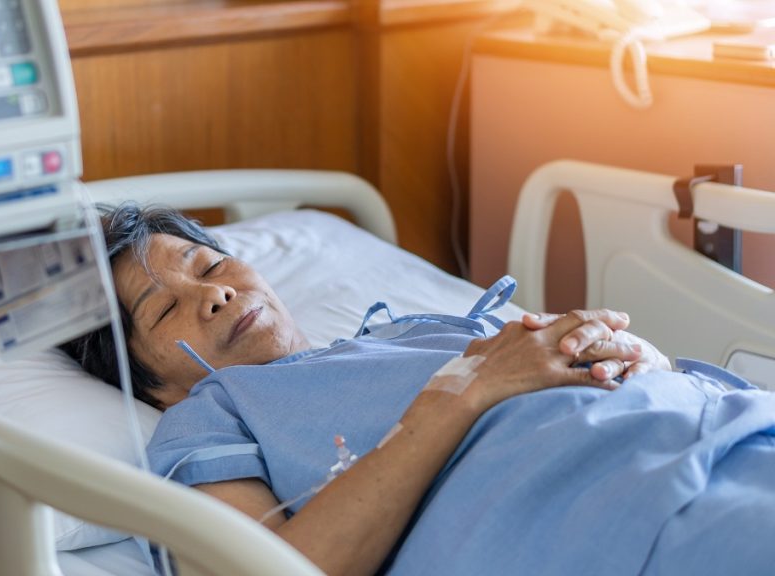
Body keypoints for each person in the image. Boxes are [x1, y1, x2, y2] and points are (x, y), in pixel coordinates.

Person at [61, 204, 775, 576]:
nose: (213, 292)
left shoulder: (408, 330)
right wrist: (462, 394)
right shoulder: (208, 422)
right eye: (164, 309)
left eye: (208, 262)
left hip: (728, 431)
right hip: (624, 515)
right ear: (150, 385)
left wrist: (642, 357)